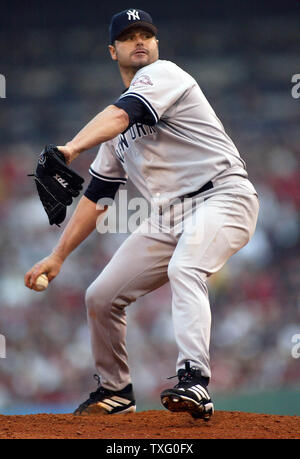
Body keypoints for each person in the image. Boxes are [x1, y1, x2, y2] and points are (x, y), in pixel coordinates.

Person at [25, 8, 259, 420]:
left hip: (223, 197)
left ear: (156, 45)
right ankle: (115, 391)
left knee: (185, 268)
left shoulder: (165, 74)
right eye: (129, 36)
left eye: (146, 35)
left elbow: (121, 114)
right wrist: (58, 255)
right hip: (169, 218)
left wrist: (68, 150)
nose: (139, 42)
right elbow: (97, 196)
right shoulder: (114, 129)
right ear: (112, 51)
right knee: (100, 297)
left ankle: (195, 379)